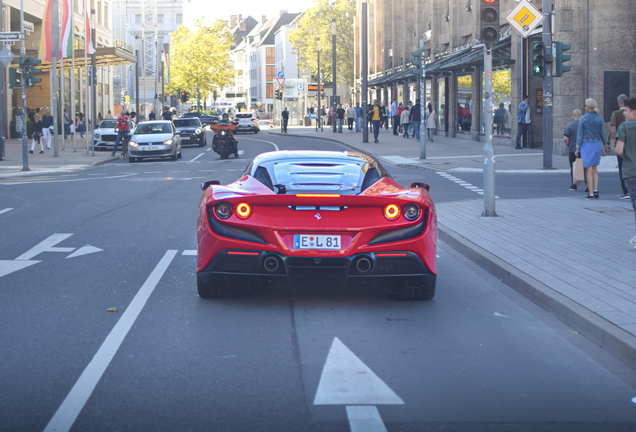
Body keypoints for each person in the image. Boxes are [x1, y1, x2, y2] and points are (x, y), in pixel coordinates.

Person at [575, 98, 607, 200]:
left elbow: (580, 135)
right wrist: (606, 144)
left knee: (588, 169)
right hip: (597, 144)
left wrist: (577, 147)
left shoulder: (583, 119)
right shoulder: (600, 118)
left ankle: (591, 193)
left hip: (587, 145)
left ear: (588, 107)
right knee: (594, 168)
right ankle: (596, 190)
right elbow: (603, 133)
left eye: (585, 105)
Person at [615, 97, 636, 248]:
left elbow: (619, 150)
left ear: (634, 112)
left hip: (631, 171)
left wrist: (626, 156)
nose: (624, 113)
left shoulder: (625, 127)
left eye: (626, 110)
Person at [607, 94, 630, 199]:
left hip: (620, 142)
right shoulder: (632, 113)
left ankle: (625, 190)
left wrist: (608, 142)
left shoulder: (616, 114)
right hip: (631, 143)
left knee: (621, 167)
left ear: (618, 102)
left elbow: (612, 130)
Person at [564, 109, 582, 191]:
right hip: (583, 149)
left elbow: (565, 138)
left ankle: (574, 185)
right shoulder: (583, 125)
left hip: (572, 149)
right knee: (585, 167)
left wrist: (569, 145)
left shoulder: (570, 126)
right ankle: (588, 185)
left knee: (573, 167)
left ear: (573, 115)